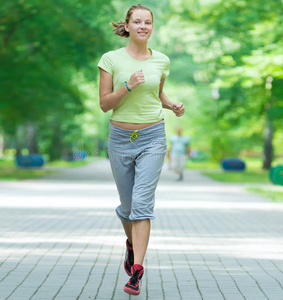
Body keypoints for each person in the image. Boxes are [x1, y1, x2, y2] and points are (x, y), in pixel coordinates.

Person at [97, 4, 185, 296]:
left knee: (142, 205)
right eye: (138, 22)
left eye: (148, 22)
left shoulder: (161, 60)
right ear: (128, 25)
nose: (143, 26)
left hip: (153, 137)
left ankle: (136, 271)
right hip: (120, 138)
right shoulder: (110, 59)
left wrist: (171, 104)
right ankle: (131, 244)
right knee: (127, 208)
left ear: (152, 27)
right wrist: (128, 86)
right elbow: (105, 103)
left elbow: (157, 93)